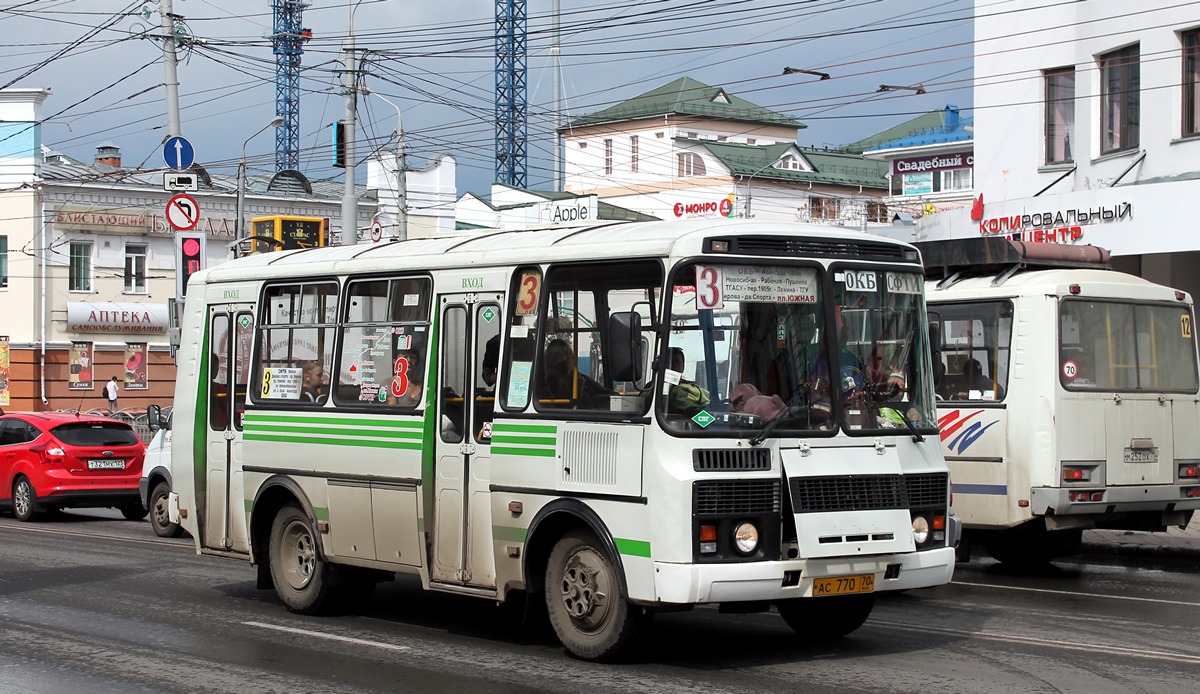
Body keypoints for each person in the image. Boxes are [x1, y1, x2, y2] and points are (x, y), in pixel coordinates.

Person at [541, 338, 611, 408]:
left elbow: (606, 394)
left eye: (568, 356)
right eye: (564, 357)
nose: (566, 360)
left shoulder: (580, 379)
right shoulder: (545, 391)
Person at [666, 347, 710, 417]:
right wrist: (710, 423)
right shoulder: (674, 391)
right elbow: (692, 411)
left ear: (683, 366)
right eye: (669, 362)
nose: (674, 365)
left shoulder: (689, 386)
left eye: (677, 362)